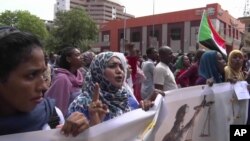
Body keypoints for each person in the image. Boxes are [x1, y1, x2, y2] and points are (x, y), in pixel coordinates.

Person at [0, 30, 88, 136]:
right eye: (31, 75)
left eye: (42, 74)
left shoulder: (53, 117)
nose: (44, 86)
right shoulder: (62, 79)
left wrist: (81, 136)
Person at [68, 52, 157, 125]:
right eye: (112, 66)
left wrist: (143, 110)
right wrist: (94, 123)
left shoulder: (125, 96)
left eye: (121, 67)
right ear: (99, 70)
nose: (119, 71)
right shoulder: (81, 104)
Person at [45, 47, 84, 117]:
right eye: (77, 55)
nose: (81, 57)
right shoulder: (62, 79)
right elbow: (59, 107)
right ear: (68, 59)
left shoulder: (79, 75)